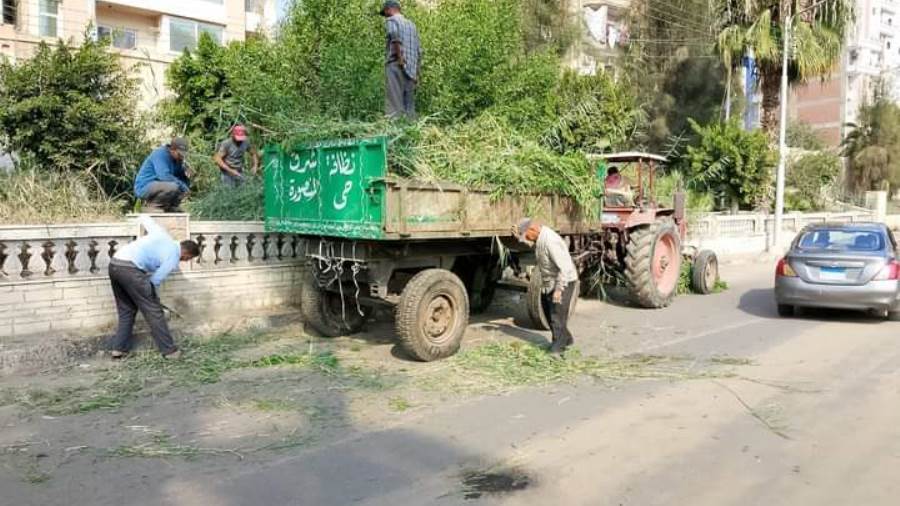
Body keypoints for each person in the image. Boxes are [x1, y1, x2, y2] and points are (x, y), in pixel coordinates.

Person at [107, 215, 200, 360]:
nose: (185, 261)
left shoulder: (162, 234)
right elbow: (156, 278)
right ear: (186, 253)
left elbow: (144, 218)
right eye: (188, 259)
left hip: (115, 264)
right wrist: (150, 295)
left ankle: (119, 349)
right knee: (155, 312)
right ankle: (170, 351)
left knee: (127, 310)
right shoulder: (174, 256)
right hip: (131, 270)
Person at [514, 218, 579, 355]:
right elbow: (535, 246)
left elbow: (565, 267)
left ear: (533, 229)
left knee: (556, 315)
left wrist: (559, 289)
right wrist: (519, 236)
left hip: (563, 280)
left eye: (525, 235)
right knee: (548, 312)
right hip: (550, 281)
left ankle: (557, 348)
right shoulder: (540, 237)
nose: (526, 238)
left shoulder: (550, 241)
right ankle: (566, 338)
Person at [381, 0, 421, 119]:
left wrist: (400, 58)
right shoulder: (411, 25)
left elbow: (395, 37)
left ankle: (394, 131)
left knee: (394, 103)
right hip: (411, 69)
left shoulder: (391, 20)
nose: (386, 16)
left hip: (396, 65)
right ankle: (411, 131)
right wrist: (417, 73)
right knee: (409, 106)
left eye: (385, 12)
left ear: (390, 9)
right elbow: (419, 51)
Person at [134, 138, 191, 213]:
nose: (181, 157)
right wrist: (183, 187)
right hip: (144, 186)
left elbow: (180, 178)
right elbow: (164, 176)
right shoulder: (160, 154)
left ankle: (170, 207)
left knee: (179, 186)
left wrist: (187, 175)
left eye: (183, 155)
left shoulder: (177, 160)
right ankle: (152, 207)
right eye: (179, 154)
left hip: (160, 185)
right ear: (172, 150)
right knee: (174, 186)